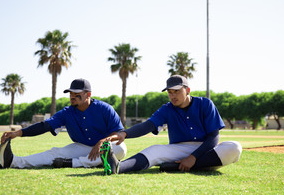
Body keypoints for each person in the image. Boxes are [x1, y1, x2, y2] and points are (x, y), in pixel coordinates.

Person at [99, 75, 242, 175]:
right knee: (155, 150)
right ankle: (117, 167)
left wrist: (193, 158)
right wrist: (125, 133)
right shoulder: (167, 108)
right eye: (170, 92)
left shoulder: (205, 104)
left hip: (205, 149)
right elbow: (149, 125)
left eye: (177, 91)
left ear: (187, 90)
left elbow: (213, 137)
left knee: (234, 147)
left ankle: (176, 167)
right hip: (179, 149)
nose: (173, 95)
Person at [0, 78, 127, 169]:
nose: (72, 96)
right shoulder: (66, 112)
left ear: (88, 94)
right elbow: (45, 126)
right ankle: (13, 161)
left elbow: (119, 133)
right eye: (70, 93)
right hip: (81, 146)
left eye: (76, 93)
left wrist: (103, 141)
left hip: (106, 147)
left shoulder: (105, 108)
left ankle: (71, 164)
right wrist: (17, 133)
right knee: (54, 153)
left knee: (121, 149)